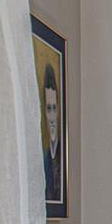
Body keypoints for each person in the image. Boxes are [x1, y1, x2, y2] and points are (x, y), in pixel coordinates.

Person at [42, 62, 62, 203]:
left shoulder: (64, 153)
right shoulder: (44, 158)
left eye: (54, 108)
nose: (52, 116)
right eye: (49, 109)